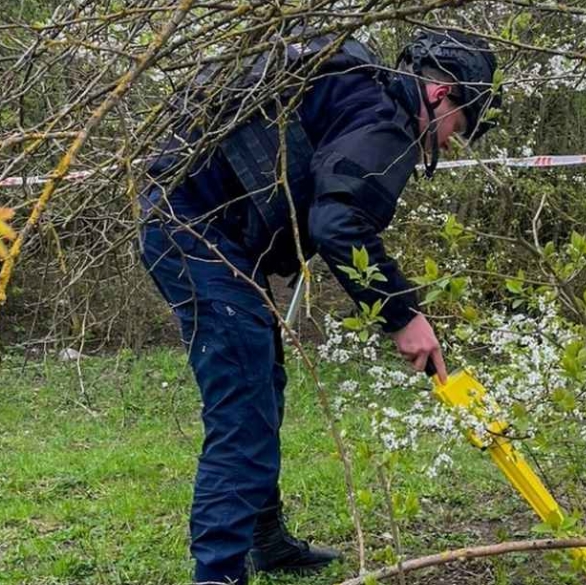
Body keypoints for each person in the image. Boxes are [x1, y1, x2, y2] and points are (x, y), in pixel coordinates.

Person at [138, 27, 500, 585]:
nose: (456, 138)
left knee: (262, 385)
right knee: (242, 408)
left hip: (204, 226)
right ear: (439, 93)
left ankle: (266, 541)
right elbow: (336, 223)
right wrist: (402, 315)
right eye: (462, 122)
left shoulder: (360, 96)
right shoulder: (385, 125)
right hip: (196, 234)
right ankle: (217, 576)